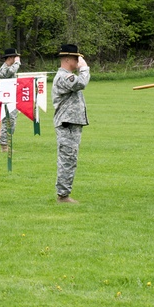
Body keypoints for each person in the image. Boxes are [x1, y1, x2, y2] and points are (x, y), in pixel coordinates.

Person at [53, 44, 90, 203]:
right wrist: (84, 68)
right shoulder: (64, 76)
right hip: (67, 124)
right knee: (67, 159)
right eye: (76, 58)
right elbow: (80, 83)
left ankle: (64, 193)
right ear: (67, 58)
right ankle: (63, 195)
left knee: (70, 158)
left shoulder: (67, 75)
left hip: (71, 123)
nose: (78, 61)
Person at [0, 48, 21, 151]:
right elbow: (11, 72)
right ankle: (4, 145)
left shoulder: (8, 67)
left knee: (11, 121)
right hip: (6, 99)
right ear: (10, 58)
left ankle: (6, 143)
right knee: (7, 121)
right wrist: (17, 63)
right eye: (14, 57)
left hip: (11, 97)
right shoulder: (5, 68)